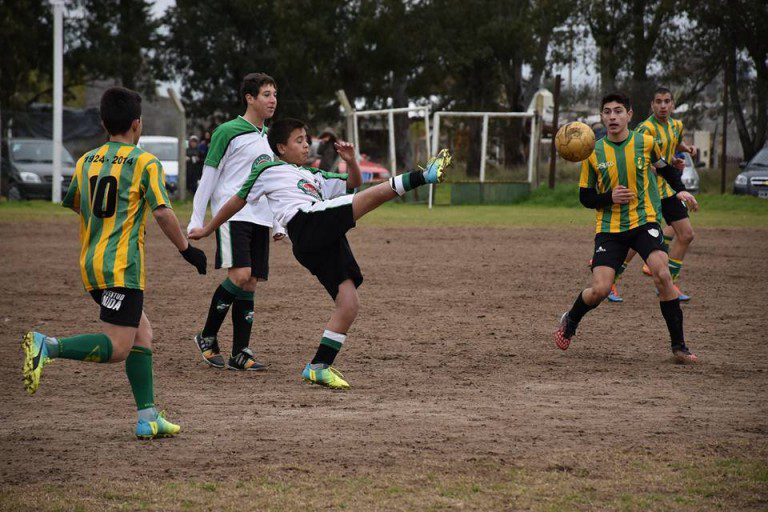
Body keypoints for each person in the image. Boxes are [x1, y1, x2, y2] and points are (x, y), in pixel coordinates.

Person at [189, 118, 452, 389]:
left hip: (322, 235)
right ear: (281, 147)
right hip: (306, 223)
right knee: (365, 201)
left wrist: (351, 161)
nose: (306, 145)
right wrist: (208, 228)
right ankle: (423, 176)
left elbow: (353, 182)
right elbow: (236, 201)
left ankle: (318, 367)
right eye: (299, 140)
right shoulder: (268, 169)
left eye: (306, 139)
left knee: (349, 303)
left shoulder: (316, 176)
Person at [22, 86, 208, 439]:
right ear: (137, 124)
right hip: (122, 268)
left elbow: (78, 204)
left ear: (103, 123)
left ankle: (148, 417)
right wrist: (187, 250)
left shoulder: (85, 161)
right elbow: (163, 212)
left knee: (142, 333)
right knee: (119, 346)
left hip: (92, 262)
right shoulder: (145, 162)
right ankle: (48, 346)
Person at [554, 92, 698, 364]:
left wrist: (680, 190)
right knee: (600, 290)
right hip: (610, 229)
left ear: (629, 115)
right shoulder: (593, 152)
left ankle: (679, 347)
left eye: (618, 111)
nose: (613, 117)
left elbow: (665, 169)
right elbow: (586, 198)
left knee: (663, 275)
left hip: (644, 222)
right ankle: (571, 319)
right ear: (602, 117)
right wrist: (610, 197)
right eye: (607, 112)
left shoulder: (645, 143)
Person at [187, 72, 281, 371]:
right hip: (233, 214)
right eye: (266, 94)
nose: (273, 100)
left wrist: (279, 223)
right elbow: (209, 176)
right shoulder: (227, 131)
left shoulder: (269, 137)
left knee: (250, 282)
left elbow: (272, 183)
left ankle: (240, 352)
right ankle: (207, 336)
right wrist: (196, 219)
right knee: (240, 275)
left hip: (261, 217)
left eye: (275, 94)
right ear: (249, 98)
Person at [609, 87, 698, 303]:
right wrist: (653, 167)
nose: (663, 106)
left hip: (669, 190)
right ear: (652, 105)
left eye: (667, 101)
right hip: (649, 191)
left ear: (673, 104)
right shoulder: (645, 128)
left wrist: (684, 151)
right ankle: (610, 279)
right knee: (637, 241)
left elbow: (673, 143)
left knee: (686, 234)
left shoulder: (676, 125)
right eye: (658, 101)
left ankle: (669, 284)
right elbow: (636, 153)